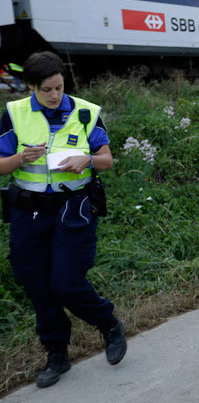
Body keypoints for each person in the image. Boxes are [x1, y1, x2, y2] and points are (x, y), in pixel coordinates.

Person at [0, 51, 126, 389]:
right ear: (30, 87)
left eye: (59, 87)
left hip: (74, 207)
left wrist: (87, 159)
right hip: (29, 211)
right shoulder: (14, 114)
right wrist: (19, 158)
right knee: (36, 284)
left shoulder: (86, 111)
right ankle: (57, 353)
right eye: (46, 90)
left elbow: (107, 161)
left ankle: (109, 324)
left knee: (66, 283)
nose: (55, 96)